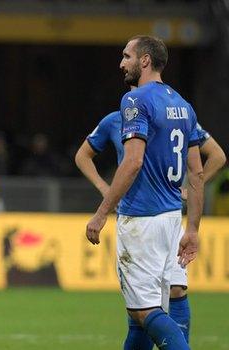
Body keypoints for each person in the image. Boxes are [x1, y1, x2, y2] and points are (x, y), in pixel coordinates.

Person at [85, 35, 203, 350]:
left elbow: (133, 162)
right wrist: (192, 228)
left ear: (145, 60)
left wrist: (101, 212)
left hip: (142, 218)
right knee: (138, 312)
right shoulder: (182, 104)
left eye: (126, 56)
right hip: (170, 218)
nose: (122, 62)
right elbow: (197, 172)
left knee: (143, 310)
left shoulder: (136, 100)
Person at [76, 110, 226, 347]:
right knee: (141, 310)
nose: (122, 69)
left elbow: (216, 155)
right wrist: (108, 192)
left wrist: (195, 187)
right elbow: (83, 155)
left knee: (172, 293)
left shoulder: (173, 117)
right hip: (138, 219)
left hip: (168, 218)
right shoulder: (115, 120)